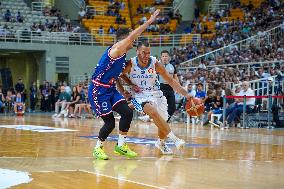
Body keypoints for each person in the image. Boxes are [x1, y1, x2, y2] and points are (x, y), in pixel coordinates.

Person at [88, 10, 161, 160]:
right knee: (109, 123)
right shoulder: (116, 50)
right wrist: (149, 22)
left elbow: (117, 76)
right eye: (131, 40)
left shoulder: (122, 57)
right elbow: (132, 36)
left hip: (110, 89)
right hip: (98, 90)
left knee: (127, 112)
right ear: (125, 40)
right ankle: (98, 148)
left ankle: (121, 146)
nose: (133, 42)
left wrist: (127, 87)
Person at [118, 41, 192, 155]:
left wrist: (186, 94)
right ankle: (175, 140)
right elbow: (117, 74)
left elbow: (171, 80)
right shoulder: (131, 63)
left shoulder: (155, 63)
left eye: (148, 53)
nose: (146, 56)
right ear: (137, 52)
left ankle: (161, 143)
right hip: (139, 96)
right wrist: (127, 86)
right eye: (143, 53)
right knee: (151, 110)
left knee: (163, 120)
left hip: (156, 94)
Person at [158, 50, 179, 122]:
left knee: (173, 107)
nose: (164, 58)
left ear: (169, 57)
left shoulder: (172, 66)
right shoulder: (158, 66)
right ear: (161, 57)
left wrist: (178, 88)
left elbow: (176, 78)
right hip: (161, 88)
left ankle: (165, 120)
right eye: (163, 56)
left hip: (170, 88)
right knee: (162, 107)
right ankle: (160, 120)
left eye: (166, 56)